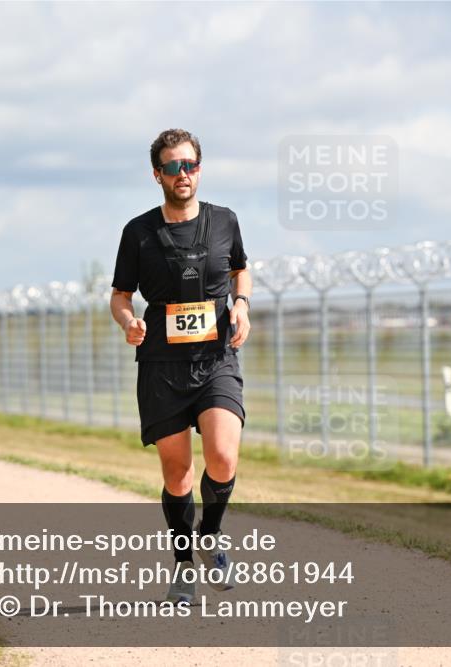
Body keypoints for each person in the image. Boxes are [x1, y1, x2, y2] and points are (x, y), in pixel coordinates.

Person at [109, 128, 252, 605]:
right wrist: (129, 322)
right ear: (158, 175)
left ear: (199, 169)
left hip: (215, 359)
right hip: (162, 366)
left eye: (189, 164)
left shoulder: (225, 221)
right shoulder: (139, 233)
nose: (182, 173)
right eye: (172, 167)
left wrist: (243, 304)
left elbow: (239, 268)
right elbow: (120, 296)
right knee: (177, 474)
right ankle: (184, 566)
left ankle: (210, 536)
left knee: (224, 456)